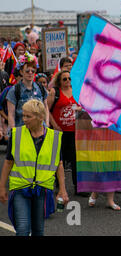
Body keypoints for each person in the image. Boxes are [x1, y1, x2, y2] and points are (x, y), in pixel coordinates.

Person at [0, 99, 68, 236]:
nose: (24, 119)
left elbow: (59, 164)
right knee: (23, 228)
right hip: (20, 188)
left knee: (38, 230)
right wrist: (2, 187)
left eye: (28, 116)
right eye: (23, 115)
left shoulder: (54, 138)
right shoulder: (16, 134)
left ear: (40, 117)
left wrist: (62, 189)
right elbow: (8, 162)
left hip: (42, 189)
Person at [47, 70, 84, 196]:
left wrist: (79, 108)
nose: (68, 81)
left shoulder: (76, 91)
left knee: (75, 159)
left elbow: (82, 106)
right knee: (59, 159)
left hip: (74, 131)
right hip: (59, 132)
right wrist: (55, 125)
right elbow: (47, 110)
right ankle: (59, 184)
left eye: (69, 78)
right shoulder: (54, 92)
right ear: (59, 81)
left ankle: (78, 186)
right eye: (64, 79)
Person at [7, 54, 49, 131]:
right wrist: (13, 133)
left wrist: (46, 125)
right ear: (21, 72)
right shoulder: (14, 90)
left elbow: (46, 108)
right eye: (27, 71)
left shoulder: (41, 88)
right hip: (22, 130)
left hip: (40, 130)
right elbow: (11, 114)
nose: (30, 73)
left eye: (32, 71)